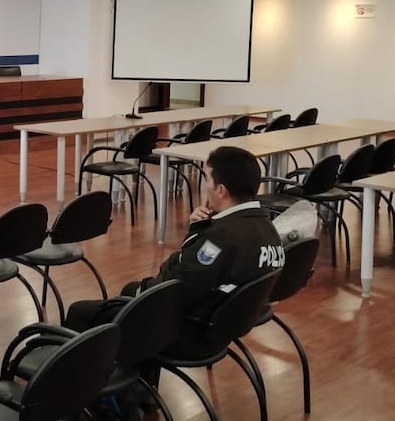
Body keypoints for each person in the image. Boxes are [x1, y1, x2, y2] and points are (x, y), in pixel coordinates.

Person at [64, 146, 285, 411]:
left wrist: (197, 237)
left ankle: (72, 401)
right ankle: (140, 389)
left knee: (82, 312)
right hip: (223, 326)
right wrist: (199, 231)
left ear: (221, 190)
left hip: (192, 335)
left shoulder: (220, 238)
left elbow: (172, 286)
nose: (205, 185)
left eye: (206, 178)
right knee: (133, 291)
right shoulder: (268, 230)